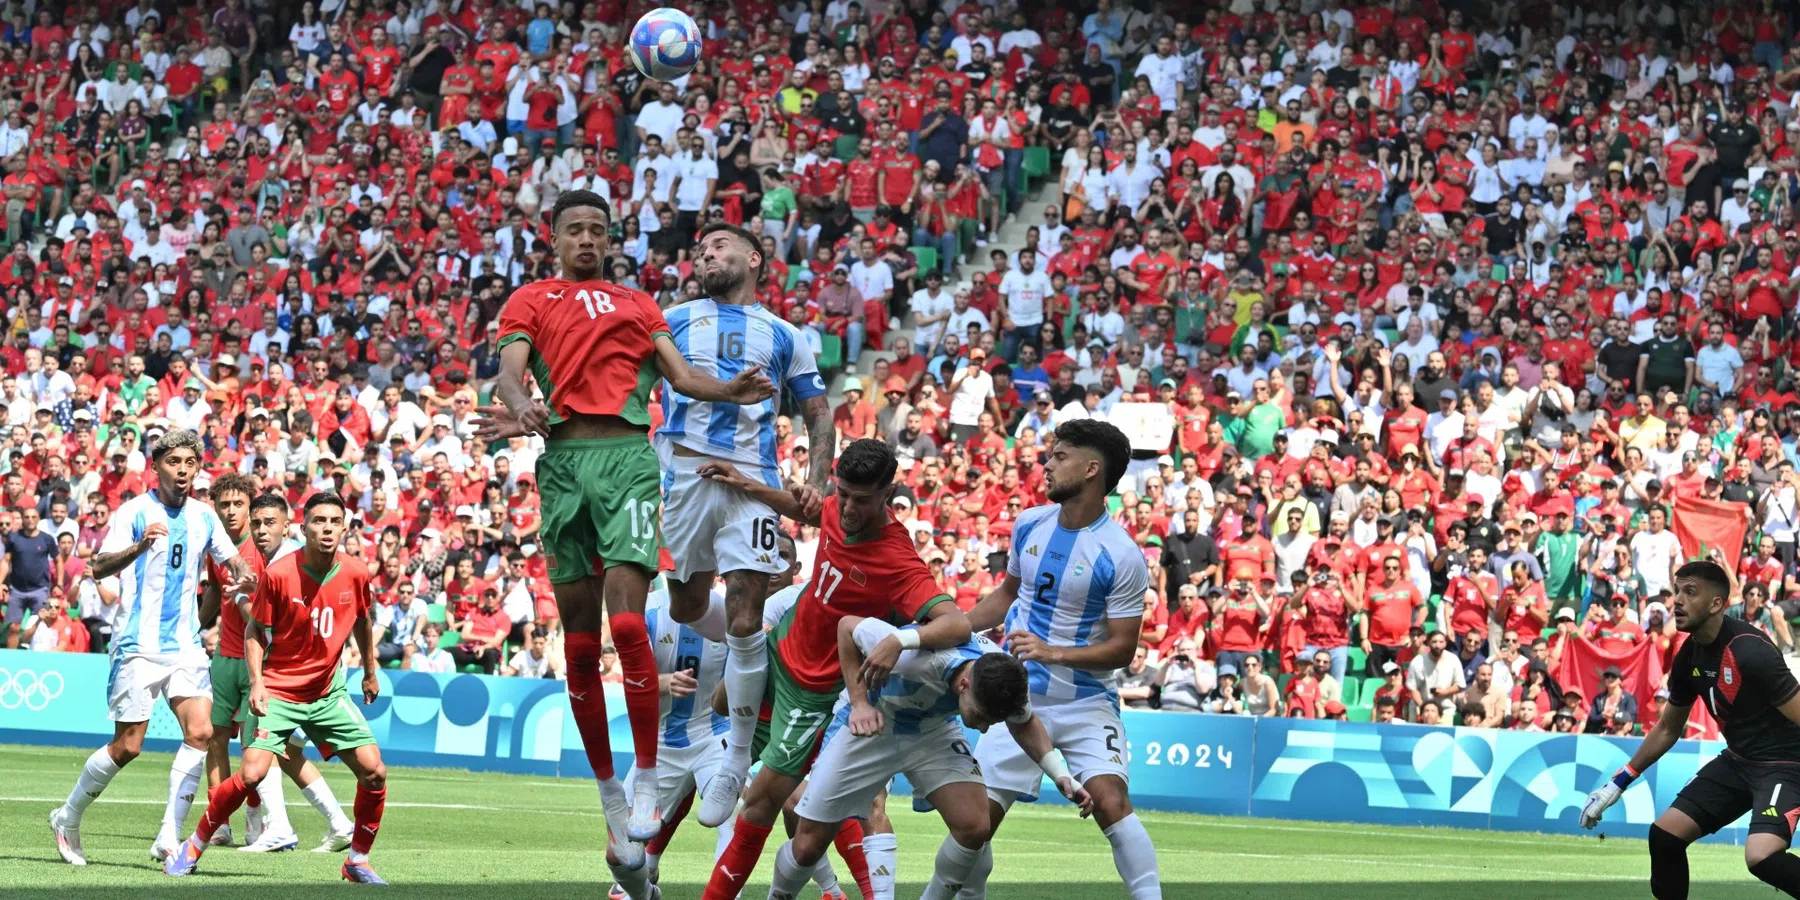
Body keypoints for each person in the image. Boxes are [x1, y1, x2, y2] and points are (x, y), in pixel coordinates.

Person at [476, 189, 775, 848]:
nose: (586, 239)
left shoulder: (639, 304)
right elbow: (507, 375)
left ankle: (646, 778)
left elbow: (683, 378)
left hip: (627, 461)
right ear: (554, 240)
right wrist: (523, 404)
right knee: (580, 642)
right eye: (574, 230)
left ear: (610, 239)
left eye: (596, 230)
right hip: (561, 465)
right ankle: (609, 786)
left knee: (625, 620)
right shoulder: (530, 299)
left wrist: (730, 389)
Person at [688, 439, 973, 900]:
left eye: (861, 500)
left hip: (812, 689)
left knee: (764, 802)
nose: (847, 508)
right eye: (842, 494)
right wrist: (745, 484)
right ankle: (733, 762)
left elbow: (956, 623)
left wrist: (900, 639)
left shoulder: (897, 558)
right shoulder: (838, 510)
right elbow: (807, 512)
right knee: (720, 701)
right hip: (779, 649)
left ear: (888, 494)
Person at [656, 222, 837, 830]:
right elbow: (627, 381)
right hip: (682, 475)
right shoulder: (673, 318)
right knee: (684, 606)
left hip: (752, 480)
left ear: (754, 258)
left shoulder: (786, 335)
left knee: (743, 612)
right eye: (700, 249)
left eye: (718, 247)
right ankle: (759, 656)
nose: (705, 255)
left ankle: (735, 756)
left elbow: (817, 411)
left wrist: (815, 475)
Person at [956, 418, 1162, 900]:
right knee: (974, 824)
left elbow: (1124, 648)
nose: (1047, 463)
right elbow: (1006, 594)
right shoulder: (1030, 522)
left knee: (1112, 802)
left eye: (1060, 455)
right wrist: (955, 629)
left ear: (1092, 469)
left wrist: (1053, 652)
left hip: (1087, 701)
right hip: (1016, 700)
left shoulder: (1122, 554)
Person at [762, 613, 1092, 900]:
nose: (986, 728)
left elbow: (1025, 723)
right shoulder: (913, 659)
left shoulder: (1002, 677)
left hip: (933, 731)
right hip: (871, 724)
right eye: (981, 716)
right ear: (964, 684)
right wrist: (860, 703)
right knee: (807, 847)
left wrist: (1059, 773)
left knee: (975, 825)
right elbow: (847, 627)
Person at [49, 428, 255, 867]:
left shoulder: (204, 515)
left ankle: (168, 836)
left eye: (190, 463)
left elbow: (230, 558)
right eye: (173, 462)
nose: (182, 470)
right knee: (128, 746)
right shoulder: (134, 511)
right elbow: (98, 567)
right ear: (156, 466)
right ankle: (67, 817)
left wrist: (243, 572)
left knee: (201, 732)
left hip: (184, 645)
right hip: (136, 645)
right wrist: (140, 547)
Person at [162, 492, 390, 885]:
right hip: (281, 691)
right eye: (319, 521)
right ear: (304, 528)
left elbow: (363, 621)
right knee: (251, 774)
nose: (327, 529)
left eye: (335, 522)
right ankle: (194, 845)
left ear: (344, 528)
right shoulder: (282, 573)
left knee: (374, 773)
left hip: (327, 693)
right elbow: (254, 629)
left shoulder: (356, 573)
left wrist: (370, 671)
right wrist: (258, 683)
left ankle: (357, 861)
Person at [1581, 560, 1800, 897]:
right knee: (1665, 835)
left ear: (1716, 604)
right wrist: (1618, 783)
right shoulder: (1688, 656)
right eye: (1677, 590)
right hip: (1738, 761)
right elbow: (1668, 728)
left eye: (1690, 592)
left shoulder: (1750, 650)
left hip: (1785, 765)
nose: (1677, 600)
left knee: (1761, 856)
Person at [198, 478, 352, 854]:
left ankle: (279, 827)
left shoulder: (295, 562)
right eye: (257, 524)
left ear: (288, 525)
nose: (261, 530)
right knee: (284, 752)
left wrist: (246, 601)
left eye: (270, 523)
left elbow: (280, 624)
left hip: (314, 675)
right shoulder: (267, 562)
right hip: (298, 671)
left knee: (265, 746)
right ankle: (338, 823)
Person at [2, 505, 56, 649]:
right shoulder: (13, 538)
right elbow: (6, 561)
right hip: (17, 589)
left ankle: (38, 659)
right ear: (22, 520)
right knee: (14, 627)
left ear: (38, 519)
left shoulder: (47, 539)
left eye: (33, 517)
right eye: (26, 517)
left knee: (41, 625)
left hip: (40, 589)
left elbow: (58, 561)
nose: (30, 520)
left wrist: (60, 583)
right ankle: (10, 660)